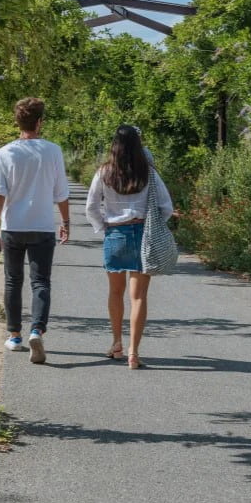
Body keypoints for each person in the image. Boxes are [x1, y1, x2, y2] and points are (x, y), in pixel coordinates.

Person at [0, 97, 70, 364]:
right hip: (43, 226)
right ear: (40, 122)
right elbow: (61, 192)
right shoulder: (53, 151)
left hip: (13, 227)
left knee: (13, 281)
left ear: (18, 121)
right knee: (41, 281)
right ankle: (37, 329)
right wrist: (65, 222)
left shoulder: (6, 153)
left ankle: (14, 335)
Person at [85, 125, 174, 369]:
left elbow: (91, 207)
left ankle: (116, 344)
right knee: (139, 297)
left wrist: (104, 227)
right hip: (143, 234)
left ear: (114, 145)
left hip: (115, 234)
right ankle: (134, 353)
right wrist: (154, 226)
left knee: (115, 293)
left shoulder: (104, 173)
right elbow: (166, 207)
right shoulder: (149, 174)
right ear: (138, 145)